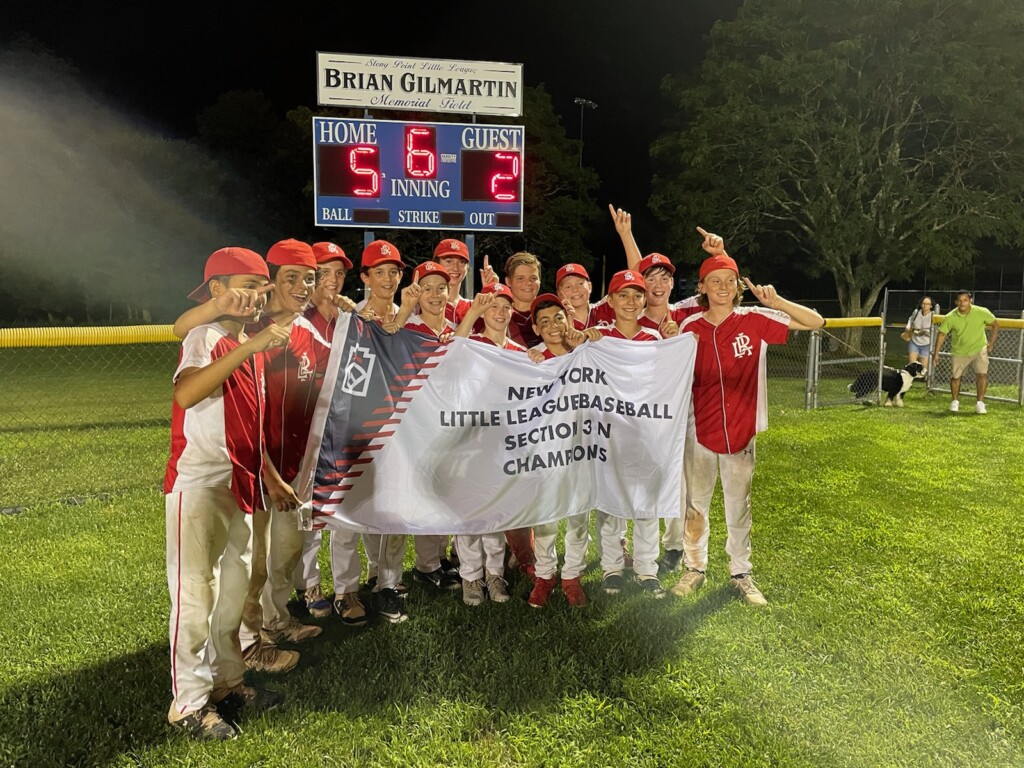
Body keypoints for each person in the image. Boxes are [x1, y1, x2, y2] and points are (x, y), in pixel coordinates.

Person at [164, 247, 291, 741]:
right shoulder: (207, 335)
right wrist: (248, 348)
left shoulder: (243, 341)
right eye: (245, 283)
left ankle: (226, 683)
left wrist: (271, 476)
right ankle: (188, 704)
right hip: (197, 482)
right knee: (195, 596)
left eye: (262, 285)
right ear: (216, 290)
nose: (257, 293)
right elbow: (187, 394)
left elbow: (248, 423)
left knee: (231, 595)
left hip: (238, 481)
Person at [671, 250, 824, 606]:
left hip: (741, 428)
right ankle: (694, 567)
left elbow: (815, 322)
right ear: (702, 288)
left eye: (729, 281)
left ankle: (741, 572)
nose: (722, 287)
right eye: (715, 281)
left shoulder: (754, 318)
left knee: (738, 505)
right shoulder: (689, 327)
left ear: (738, 287)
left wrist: (778, 301)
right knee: (695, 506)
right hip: (699, 429)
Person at [581, 270, 669, 597]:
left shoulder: (655, 339)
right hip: (608, 434)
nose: (630, 302)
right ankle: (612, 568)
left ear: (645, 299)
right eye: (623, 295)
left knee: (646, 505)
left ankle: (647, 570)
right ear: (611, 300)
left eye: (637, 295)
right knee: (610, 504)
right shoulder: (599, 337)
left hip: (646, 431)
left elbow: (666, 382)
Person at [293, 241, 357, 622]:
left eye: (339, 273)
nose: (333, 280)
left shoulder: (349, 315)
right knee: (306, 512)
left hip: (343, 423)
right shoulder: (299, 317)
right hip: (304, 426)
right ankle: (308, 584)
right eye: (325, 272)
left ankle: (345, 587)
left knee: (340, 506)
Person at [451, 284, 524, 605]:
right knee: (468, 511)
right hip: (469, 438)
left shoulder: (518, 351)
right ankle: (470, 575)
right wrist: (472, 314)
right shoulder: (472, 342)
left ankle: (494, 574)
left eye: (505, 307)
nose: (499, 312)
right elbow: (452, 350)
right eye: (493, 306)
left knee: (494, 512)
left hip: (503, 442)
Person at [399, 261, 462, 592]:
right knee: (426, 494)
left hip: (451, 422)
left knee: (446, 492)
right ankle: (426, 565)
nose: (436, 294)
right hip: (420, 423)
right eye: (428, 288)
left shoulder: (456, 327)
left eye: (442, 287)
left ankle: (440, 560)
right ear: (415, 292)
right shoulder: (408, 329)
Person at [524, 294, 591, 608]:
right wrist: (530, 363)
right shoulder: (531, 358)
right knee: (546, 516)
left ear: (569, 319)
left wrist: (587, 344)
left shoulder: (587, 352)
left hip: (582, 446)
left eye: (558, 317)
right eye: (545, 321)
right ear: (537, 329)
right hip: (546, 448)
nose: (553, 326)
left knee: (579, 513)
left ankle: (572, 574)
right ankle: (545, 573)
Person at [356, 240, 411, 621]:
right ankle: (368, 576)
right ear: (365, 277)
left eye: (394, 272)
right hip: (360, 424)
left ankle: (388, 582)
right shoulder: (352, 317)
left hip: (401, 425)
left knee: (395, 508)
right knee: (362, 507)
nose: (388, 278)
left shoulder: (412, 316)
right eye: (380, 272)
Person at [932, 291, 999, 414]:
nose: (962, 303)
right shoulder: (950, 317)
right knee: (956, 377)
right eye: (960, 300)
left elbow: (995, 324)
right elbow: (942, 335)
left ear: (970, 301)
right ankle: (955, 401)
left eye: (965, 300)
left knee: (982, 374)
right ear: (956, 302)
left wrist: (991, 344)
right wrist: (936, 353)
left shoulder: (982, 312)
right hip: (959, 351)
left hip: (979, 348)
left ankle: (980, 403)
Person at [433, 238, 474, 324]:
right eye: (449, 261)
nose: (455, 268)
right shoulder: (421, 305)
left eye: (462, 262)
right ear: (436, 264)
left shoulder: (473, 307)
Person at [904, 296, 936, 374]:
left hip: (926, 342)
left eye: (928, 304)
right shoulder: (916, 312)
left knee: (923, 367)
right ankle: (910, 379)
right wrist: (908, 327)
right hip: (914, 340)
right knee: (912, 364)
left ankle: (924, 379)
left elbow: (935, 329)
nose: (925, 305)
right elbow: (910, 321)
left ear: (931, 306)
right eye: (923, 303)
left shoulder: (933, 315)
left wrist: (925, 332)